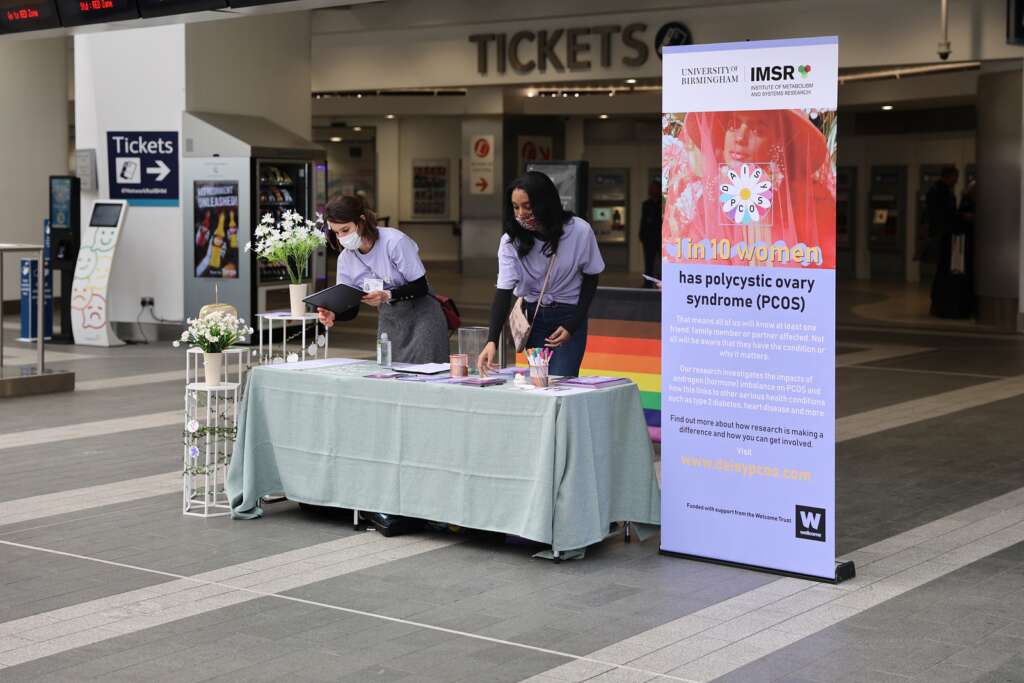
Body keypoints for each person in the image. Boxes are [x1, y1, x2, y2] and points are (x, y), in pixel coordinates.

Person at [662, 109, 836, 269]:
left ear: (777, 142)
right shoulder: (706, 202)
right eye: (733, 126)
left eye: (757, 131)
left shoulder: (806, 200)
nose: (740, 138)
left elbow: (822, 267)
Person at [477, 171, 605, 377]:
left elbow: (591, 277)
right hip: (533, 318)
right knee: (540, 382)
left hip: (569, 315)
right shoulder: (510, 241)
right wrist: (492, 340)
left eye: (528, 206)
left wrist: (572, 324)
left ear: (545, 202)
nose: (521, 214)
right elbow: (503, 292)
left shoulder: (580, 231)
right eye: (515, 207)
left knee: (562, 382)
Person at [316, 194, 448, 364]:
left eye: (346, 230)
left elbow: (420, 286)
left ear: (361, 221)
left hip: (423, 316)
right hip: (390, 320)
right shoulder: (345, 259)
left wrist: (387, 295)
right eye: (336, 233)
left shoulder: (394, 241)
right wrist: (333, 313)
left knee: (427, 376)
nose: (342, 237)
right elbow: (351, 306)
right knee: (390, 373)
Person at [639, 180, 663, 287]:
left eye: (653, 188)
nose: (651, 190)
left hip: (661, 237)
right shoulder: (646, 204)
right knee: (648, 261)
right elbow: (643, 221)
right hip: (649, 238)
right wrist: (642, 235)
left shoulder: (663, 204)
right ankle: (647, 283)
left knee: (663, 262)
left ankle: (662, 282)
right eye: (650, 188)